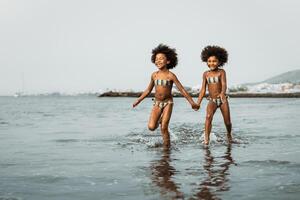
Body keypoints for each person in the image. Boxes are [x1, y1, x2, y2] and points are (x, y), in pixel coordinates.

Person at [133, 44, 199, 148]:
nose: (158, 61)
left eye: (161, 59)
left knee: (164, 127)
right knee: (151, 127)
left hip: (168, 103)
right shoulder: (154, 75)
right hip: (157, 103)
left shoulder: (170, 76)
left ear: (168, 61)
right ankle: (160, 120)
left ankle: (166, 149)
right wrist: (138, 100)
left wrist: (192, 103)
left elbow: (182, 89)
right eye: (156, 59)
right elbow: (148, 90)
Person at [197, 45, 233, 145]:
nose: (211, 63)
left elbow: (224, 84)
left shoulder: (222, 72)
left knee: (228, 122)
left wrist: (222, 93)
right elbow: (203, 89)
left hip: (222, 100)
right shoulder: (205, 74)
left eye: (214, 61)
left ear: (219, 62)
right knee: (208, 117)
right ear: (206, 61)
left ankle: (229, 134)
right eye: (209, 61)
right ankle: (206, 139)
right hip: (212, 100)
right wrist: (198, 103)